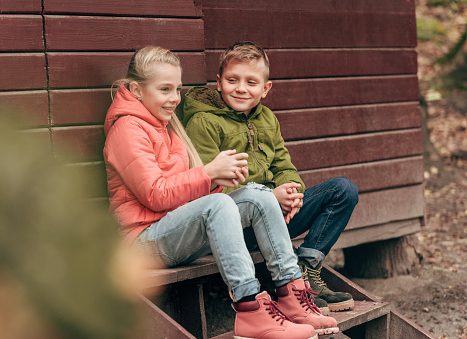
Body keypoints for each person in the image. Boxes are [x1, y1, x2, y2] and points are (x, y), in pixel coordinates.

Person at [103, 45, 339, 338]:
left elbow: (186, 193)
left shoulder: (165, 124)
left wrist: (219, 179)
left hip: (174, 231)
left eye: (177, 89)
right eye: (165, 89)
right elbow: (155, 195)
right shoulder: (127, 129)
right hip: (141, 241)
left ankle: (291, 294)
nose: (174, 98)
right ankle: (250, 308)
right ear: (137, 90)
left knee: (258, 195)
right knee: (219, 204)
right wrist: (208, 173)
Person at [182, 41, 359, 315]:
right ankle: (290, 288)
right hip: (237, 227)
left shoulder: (267, 119)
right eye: (232, 80)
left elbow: (283, 165)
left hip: (276, 213)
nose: (241, 88)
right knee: (256, 201)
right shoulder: (203, 122)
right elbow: (209, 189)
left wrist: (292, 193)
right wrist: (269, 197)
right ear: (219, 82)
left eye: (251, 82)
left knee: (343, 190)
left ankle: (307, 267)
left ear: (265, 88)